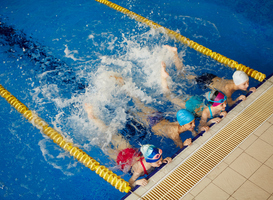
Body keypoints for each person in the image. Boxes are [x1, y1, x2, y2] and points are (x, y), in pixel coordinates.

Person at [84, 103, 172, 188]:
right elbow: (129, 184)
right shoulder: (138, 171)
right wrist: (137, 182)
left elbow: (158, 161)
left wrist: (165, 160)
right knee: (105, 144)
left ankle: (94, 120)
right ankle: (93, 120)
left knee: (112, 136)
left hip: (131, 154)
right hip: (123, 161)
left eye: (160, 159)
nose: (160, 163)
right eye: (158, 162)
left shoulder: (153, 160)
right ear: (148, 160)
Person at [112, 75, 194, 148]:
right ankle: (116, 104)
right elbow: (180, 147)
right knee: (131, 114)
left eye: (193, 122)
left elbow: (189, 126)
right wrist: (184, 144)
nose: (193, 125)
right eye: (191, 123)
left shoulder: (180, 123)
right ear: (183, 124)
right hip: (152, 123)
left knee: (138, 103)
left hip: (157, 115)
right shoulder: (174, 134)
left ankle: (123, 84)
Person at [163, 45, 256, 107]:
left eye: (247, 82)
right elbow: (230, 103)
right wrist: (238, 99)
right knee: (182, 75)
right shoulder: (228, 90)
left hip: (211, 77)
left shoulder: (236, 82)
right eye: (245, 84)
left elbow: (241, 86)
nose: (247, 85)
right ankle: (174, 53)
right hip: (206, 81)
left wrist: (249, 90)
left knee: (185, 74)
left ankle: (174, 53)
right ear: (238, 83)